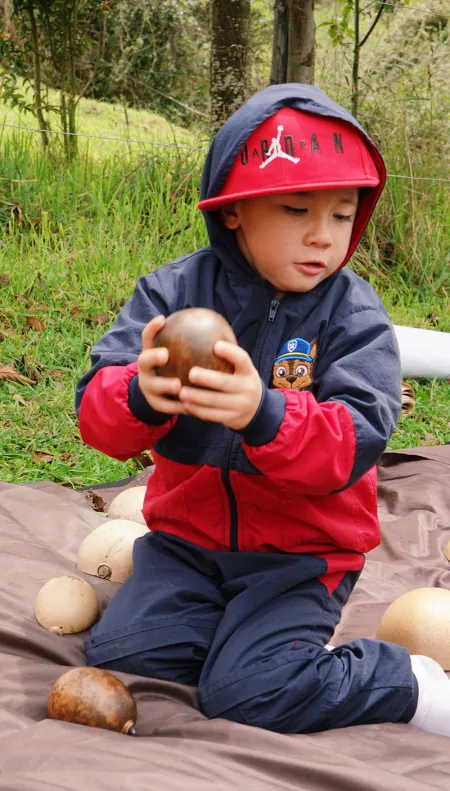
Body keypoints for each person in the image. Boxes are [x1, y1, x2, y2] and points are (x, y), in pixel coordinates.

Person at [75, 83, 450, 737]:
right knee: (123, 652)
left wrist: (264, 414)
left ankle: (401, 681)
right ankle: (246, 640)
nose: (323, 236)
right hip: (187, 542)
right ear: (235, 212)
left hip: (298, 555)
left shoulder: (354, 315)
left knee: (247, 694)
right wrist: (140, 394)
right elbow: (95, 415)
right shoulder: (171, 294)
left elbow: (357, 436)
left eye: (342, 213)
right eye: (298, 207)